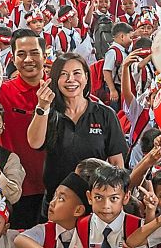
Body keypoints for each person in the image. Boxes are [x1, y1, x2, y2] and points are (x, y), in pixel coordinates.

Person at [27, 52, 128, 210]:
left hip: (94, 204)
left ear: (86, 77)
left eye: (76, 73)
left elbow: (116, 162)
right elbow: (34, 142)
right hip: (56, 203)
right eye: (64, 74)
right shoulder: (48, 113)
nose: (71, 80)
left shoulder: (105, 114)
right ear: (55, 80)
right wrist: (42, 107)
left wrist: (115, 201)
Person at [0, 29, 51, 228]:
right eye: (21, 54)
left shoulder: (60, 89)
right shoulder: (1, 92)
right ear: (13, 58)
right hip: (17, 188)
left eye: (34, 53)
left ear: (44, 55)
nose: (28, 59)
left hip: (56, 188)